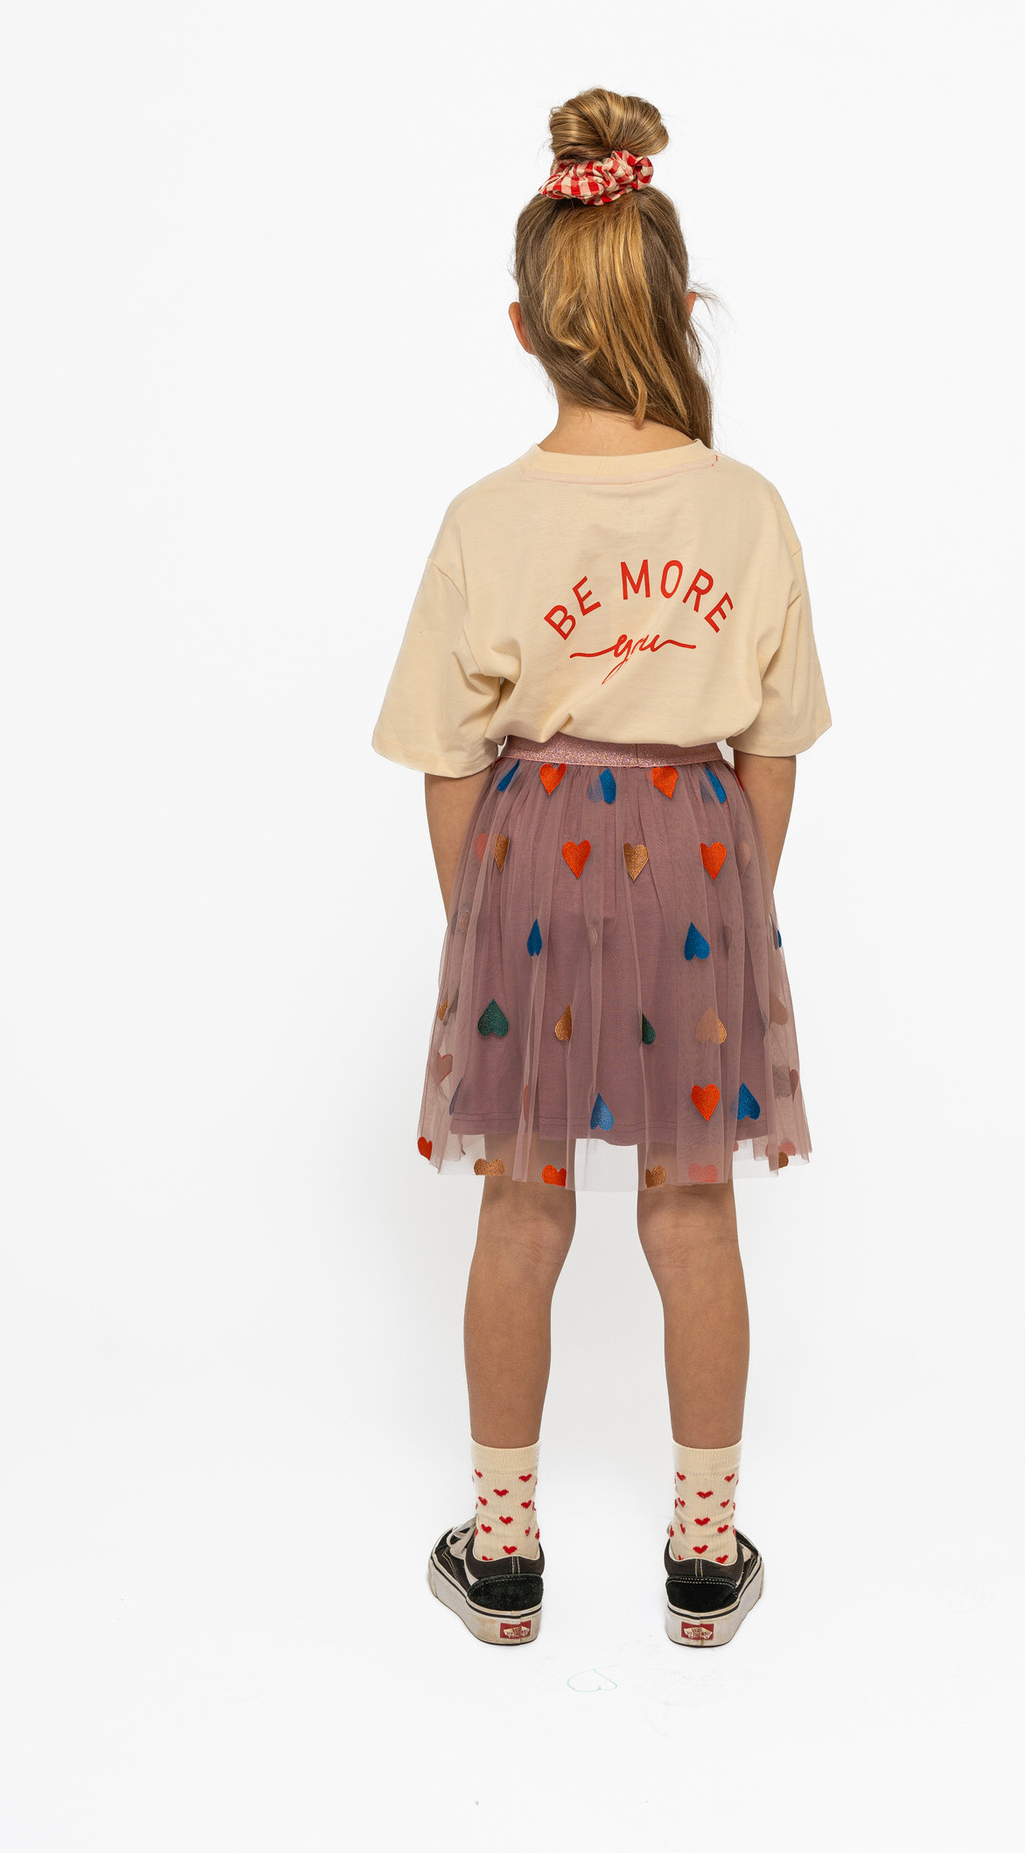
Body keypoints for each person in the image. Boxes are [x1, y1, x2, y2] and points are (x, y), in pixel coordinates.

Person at [371, 87, 831, 1649]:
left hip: (529, 865)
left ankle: (503, 1556)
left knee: (522, 1209)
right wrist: (729, 907)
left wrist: (485, 926)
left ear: (524, 327)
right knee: (692, 1213)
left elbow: (447, 759)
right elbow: (774, 750)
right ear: (681, 310)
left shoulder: (487, 519)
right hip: (697, 856)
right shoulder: (745, 510)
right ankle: (703, 1557)